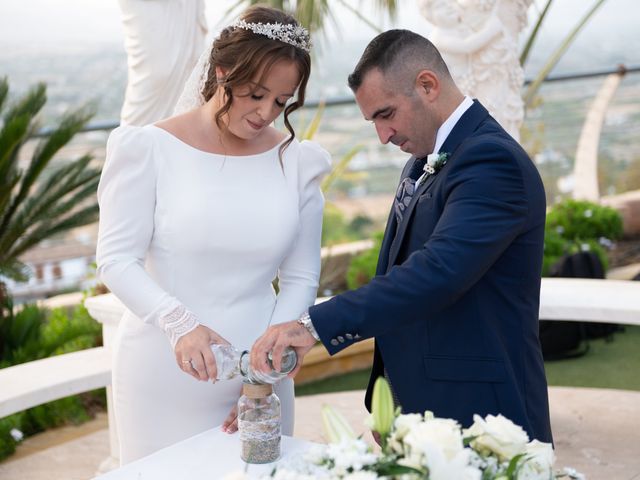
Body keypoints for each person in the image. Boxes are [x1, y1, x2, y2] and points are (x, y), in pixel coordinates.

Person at [250, 29, 553, 443]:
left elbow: (436, 273)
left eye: (386, 113)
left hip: (480, 412)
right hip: (420, 408)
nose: (383, 134)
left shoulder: (491, 161)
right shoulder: (422, 157)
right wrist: (387, 399)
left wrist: (313, 326)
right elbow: (395, 273)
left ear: (427, 85)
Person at [96, 5, 330, 464]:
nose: (266, 113)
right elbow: (115, 259)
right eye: (255, 94)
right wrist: (179, 323)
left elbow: (302, 277)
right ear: (222, 72)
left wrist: (263, 373)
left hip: (263, 375)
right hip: (163, 370)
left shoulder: (299, 163)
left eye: (282, 102)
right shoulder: (147, 148)